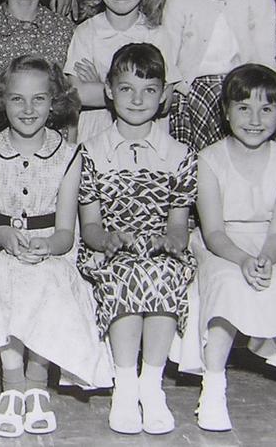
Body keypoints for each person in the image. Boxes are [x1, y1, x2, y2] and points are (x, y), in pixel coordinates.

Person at [0, 55, 113, 438]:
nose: (28, 109)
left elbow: (67, 233)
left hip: (51, 252)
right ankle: (12, 385)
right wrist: (1, 237)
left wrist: (46, 246)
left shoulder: (69, 156)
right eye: (17, 99)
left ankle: (36, 383)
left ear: (54, 102)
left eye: (39, 99)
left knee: (48, 281)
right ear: (2, 102)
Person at [180, 64, 276, 433]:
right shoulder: (208, 161)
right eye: (243, 107)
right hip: (222, 245)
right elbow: (213, 230)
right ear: (226, 111)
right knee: (227, 289)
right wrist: (244, 261)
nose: (254, 119)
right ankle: (213, 389)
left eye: (266, 109)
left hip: (270, 244)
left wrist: (265, 259)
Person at [77, 43, 195, 436]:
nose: (138, 99)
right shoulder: (91, 153)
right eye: (127, 89)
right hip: (109, 248)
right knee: (124, 273)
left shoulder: (179, 154)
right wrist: (106, 240)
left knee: (163, 272)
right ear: (109, 90)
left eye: (149, 90)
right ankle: (125, 385)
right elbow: (90, 225)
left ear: (163, 95)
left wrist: (173, 240)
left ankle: (152, 383)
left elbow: (179, 223)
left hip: (159, 245)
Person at [163, 0, 276, 152]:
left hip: (246, 91)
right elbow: (168, 57)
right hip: (194, 94)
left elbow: (266, 51)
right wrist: (176, 90)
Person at [67, 0, 174, 143]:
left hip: (147, 136)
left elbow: (165, 100)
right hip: (96, 134)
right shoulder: (86, 32)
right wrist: (139, 90)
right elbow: (77, 94)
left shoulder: (157, 35)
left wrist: (101, 86)